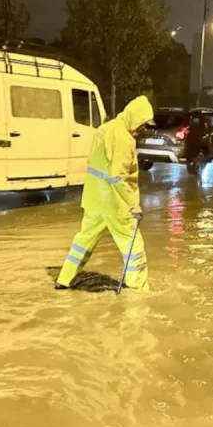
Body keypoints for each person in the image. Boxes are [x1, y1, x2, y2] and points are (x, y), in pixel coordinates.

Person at [55, 95, 154, 292]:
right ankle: (138, 288)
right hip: (115, 204)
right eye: (142, 125)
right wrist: (133, 206)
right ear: (134, 118)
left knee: (84, 240)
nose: (141, 130)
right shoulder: (123, 138)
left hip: (94, 200)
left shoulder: (105, 129)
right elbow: (118, 177)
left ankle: (64, 279)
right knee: (133, 246)